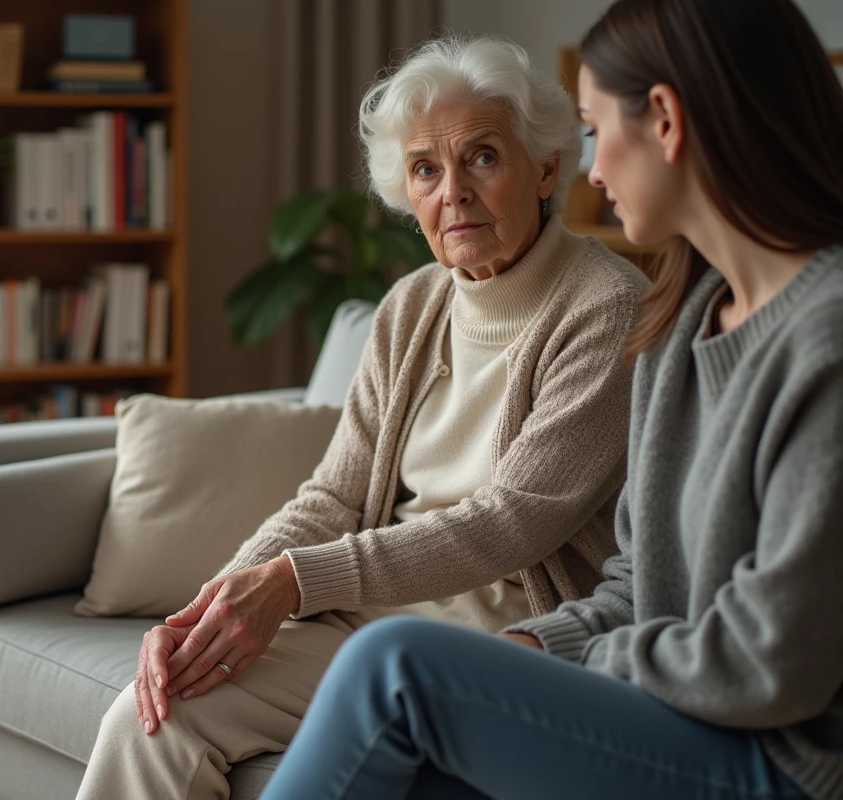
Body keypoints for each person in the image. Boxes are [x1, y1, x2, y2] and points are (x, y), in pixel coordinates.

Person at [257, 1, 843, 798]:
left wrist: (560, 664)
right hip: (673, 712)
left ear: (665, 121)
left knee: (389, 665)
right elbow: (638, 582)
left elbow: (772, 661)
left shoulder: (823, 340)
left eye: (597, 129)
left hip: (779, 761)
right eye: (426, 169)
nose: (591, 170)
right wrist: (538, 651)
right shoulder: (684, 321)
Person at [76, 36, 649, 800]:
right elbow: (335, 496)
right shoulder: (411, 306)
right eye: (426, 169)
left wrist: (293, 582)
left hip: (501, 640)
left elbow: (509, 522)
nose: (454, 192)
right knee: (157, 714)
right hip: (368, 619)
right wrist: (214, 606)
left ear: (545, 166)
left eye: (482, 157)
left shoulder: (606, 307)